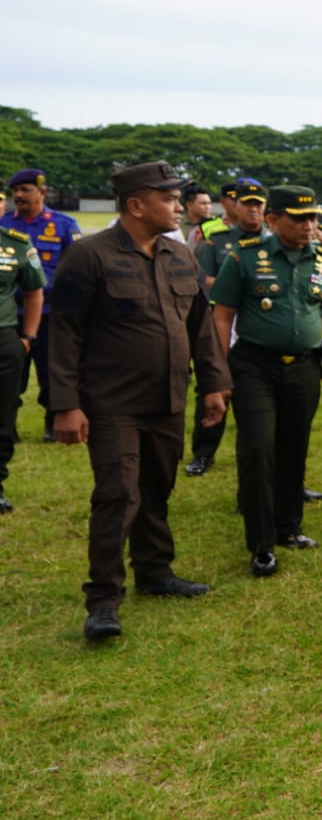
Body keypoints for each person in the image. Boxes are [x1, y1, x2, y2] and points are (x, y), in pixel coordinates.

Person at [50, 161, 231, 642]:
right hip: (111, 403)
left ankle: (155, 571)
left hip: (168, 398)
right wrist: (65, 404)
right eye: (168, 198)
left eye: (178, 198)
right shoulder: (88, 256)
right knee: (117, 494)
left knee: (156, 486)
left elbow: (200, 327)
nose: (178, 206)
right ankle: (103, 599)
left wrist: (214, 384)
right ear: (135, 205)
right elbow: (63, 333)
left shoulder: (180, 256)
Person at [209, 186, 322, 577]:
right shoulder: (245, 257)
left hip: (304, 368)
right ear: (274, 220)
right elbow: (222, 316)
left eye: (313, 218)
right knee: (257, 449)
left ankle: (290, 527)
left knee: (293, 448)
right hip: (254, 366)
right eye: (299, 218)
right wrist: (218, 373)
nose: (309, 226)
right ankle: (261, 543)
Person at [184, 179, 268, 477]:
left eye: (258, 204)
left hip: (262, 328)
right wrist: (236, 289)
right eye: (244, 203)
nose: (252, 210)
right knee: (214, 385)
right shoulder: (217, 241)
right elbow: (200, 278)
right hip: (223, 323)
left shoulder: (277, 240)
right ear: (232, 206)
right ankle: (203, 453)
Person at [0, 168, 82, 439]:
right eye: (15, 192)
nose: (19, 196)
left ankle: (51, 423)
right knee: (11, 373)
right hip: (12, 313)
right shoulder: (6, 225)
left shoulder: (63, 224)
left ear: (42, 192)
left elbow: (77, 271)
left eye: (25, 190)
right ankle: (8, 426)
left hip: (51, 313)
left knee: (52, 372)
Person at [0, 218, 45, 510]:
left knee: (2, 418)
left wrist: (27, 337)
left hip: (3, 339)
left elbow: (33, 292)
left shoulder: (15, 244)